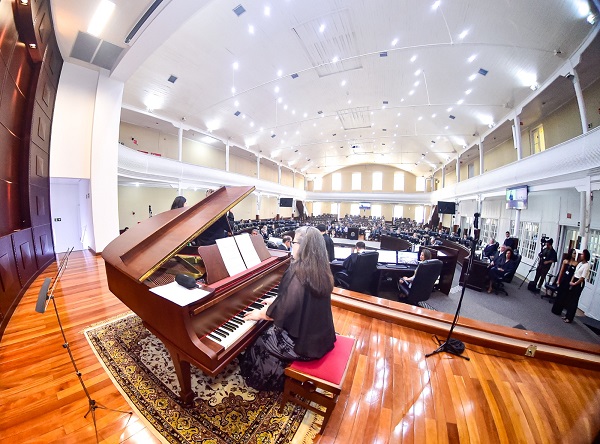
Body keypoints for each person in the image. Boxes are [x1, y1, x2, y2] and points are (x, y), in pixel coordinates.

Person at [239, 226, 336, 391]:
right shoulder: (320, 268)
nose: (292, 246)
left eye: (295, 242)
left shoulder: (298, 270)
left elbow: (283, 311)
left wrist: (260, 314)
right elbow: (301, 300)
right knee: (269, 331)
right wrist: (276, 300)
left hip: (304, 346)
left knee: (261, 340)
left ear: (304, 246)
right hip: (321, 337)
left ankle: (271, 380)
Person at [551, 249, 590, 323]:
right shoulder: (580, 263)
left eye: (582, 254)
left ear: (585, 256)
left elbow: (582, 278)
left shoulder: (586, 265)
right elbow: (575, 273)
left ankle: (569, 318)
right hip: (573, 280)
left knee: (574, 300)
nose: (580, 255)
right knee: (570, 299)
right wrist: (571, 281)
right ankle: (566, 315)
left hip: (579, 283)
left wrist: (574, 283)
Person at [551, 249, 578, 318]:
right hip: (564, 279)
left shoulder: (576, 263)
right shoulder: (565, 261)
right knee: (559, 294)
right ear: (570, 253)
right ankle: (555, 309)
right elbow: (561, 271)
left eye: (575, 254)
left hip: (569, 280)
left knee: (564, 296)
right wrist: (558, 280)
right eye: (573, 253)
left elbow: (574, 274)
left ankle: (559, 310)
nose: (574, 255)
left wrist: (572, 282)